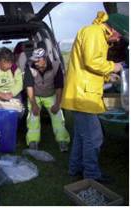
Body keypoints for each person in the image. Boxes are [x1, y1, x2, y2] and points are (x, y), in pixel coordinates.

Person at [61, 11, 127, 183]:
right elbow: (92, 61)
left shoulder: (95, 33)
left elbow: (88, 65)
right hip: (83, 95)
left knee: (82, 136)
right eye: (120, 36)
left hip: (81, 91)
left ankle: (74, 168)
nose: (118, 40)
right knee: (94, 137)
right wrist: (115, 67)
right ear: (114, 30)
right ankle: (91, 174)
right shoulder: (94, 32)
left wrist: (107, 77)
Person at [24, 46, 70, 152]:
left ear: (44, 58)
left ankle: (62, 141)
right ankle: (33, 142)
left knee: (58, 116)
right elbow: (29, 87)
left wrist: (58, 104)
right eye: (34, 60)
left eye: (37, 60)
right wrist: (34, 104)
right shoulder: (29, 67)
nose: (35, 63)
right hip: (34, 95)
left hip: (51, 94)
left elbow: (59, 86)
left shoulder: (56, 66)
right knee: (33, 117)